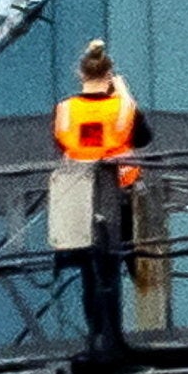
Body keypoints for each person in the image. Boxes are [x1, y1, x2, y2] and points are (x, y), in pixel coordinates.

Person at [53, 37, 151, 344]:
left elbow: (61, 144)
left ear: (81, 75)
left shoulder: (66, 110)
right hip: (122, 197)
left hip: (79, 198)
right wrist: (123, 94)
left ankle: (97, 332)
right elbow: (144, 138)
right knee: (126, 263)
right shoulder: (123, 108)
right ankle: (126, 333)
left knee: (89, 270)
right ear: (109, 76)